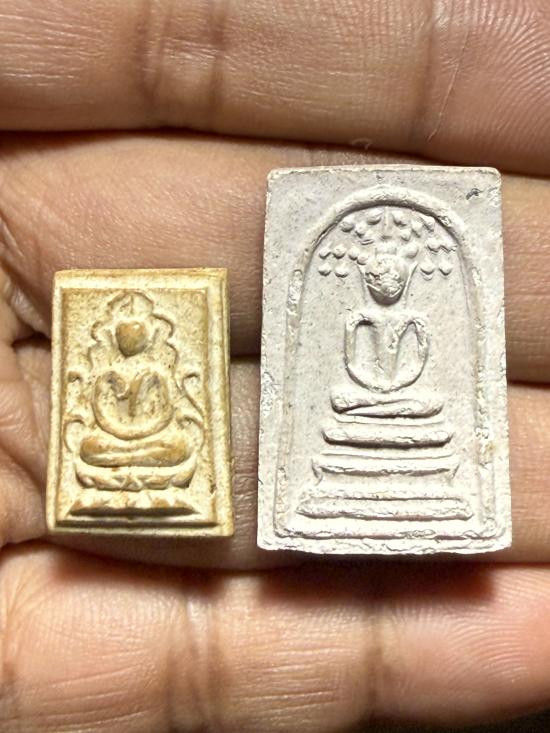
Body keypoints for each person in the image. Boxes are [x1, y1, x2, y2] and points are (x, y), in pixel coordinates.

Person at [0, 1, 549, 730]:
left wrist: (398, 371)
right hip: (254, 434)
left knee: (404, 412)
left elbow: (403, 386)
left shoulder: (409, 321)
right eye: (376, 274)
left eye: (395, 276)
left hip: (400, 419)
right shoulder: (350, 321)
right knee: (319, 414)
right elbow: (345, 384)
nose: (385, 285)